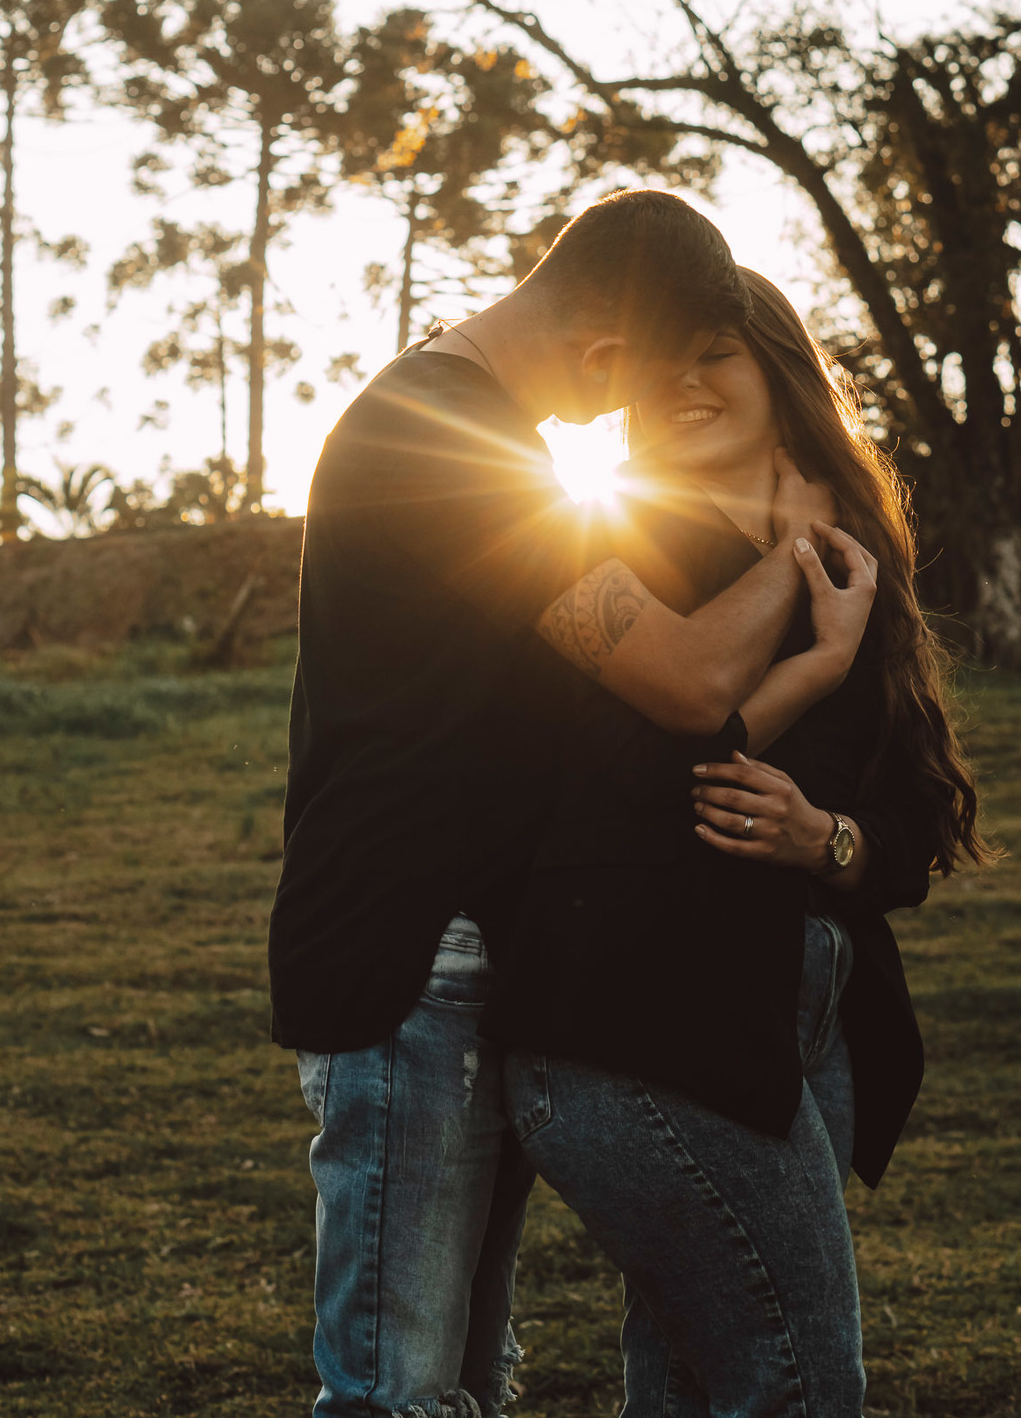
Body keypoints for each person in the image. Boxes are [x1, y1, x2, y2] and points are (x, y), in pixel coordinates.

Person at [268, 194, 839, 1418]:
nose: (638, 410)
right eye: (652, 372)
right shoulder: (442, 440)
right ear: (600, 354)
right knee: (395, 1391)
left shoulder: (465, 428)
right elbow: (687, 679)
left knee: (468, 1379)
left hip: (468, 959)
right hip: (407, 959)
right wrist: (802, 552)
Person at [481, 269, 990, 1417]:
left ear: (778, 369)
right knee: (799, 1381)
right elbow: (629, 791)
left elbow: (914, 823)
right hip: (636, 1021)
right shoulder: (591, 543)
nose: (680, 381)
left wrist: (829, 840)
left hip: (800, 1022)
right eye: (654, 362)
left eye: (712, 350)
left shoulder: (863, 567)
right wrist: (807, 647)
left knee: (698, 1382)